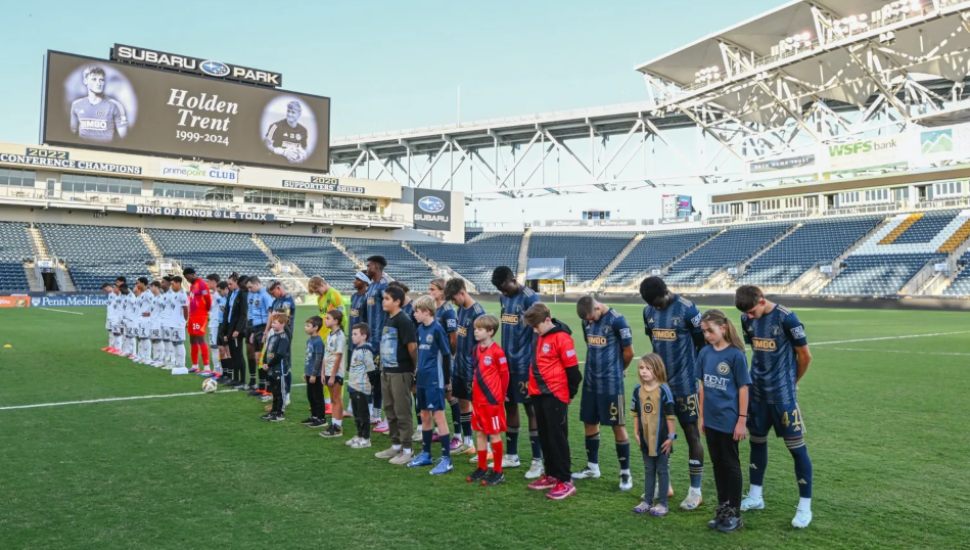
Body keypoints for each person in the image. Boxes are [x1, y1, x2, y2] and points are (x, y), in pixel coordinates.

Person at [735, 285, 814, 529]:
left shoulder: (787, 318)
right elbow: (755, 352)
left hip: (783, 397)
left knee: (797, 449)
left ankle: (804, 507)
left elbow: (805, 355)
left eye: (751, 311)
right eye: (745, 313)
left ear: (761, 301)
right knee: (757, 442)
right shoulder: (746, 319)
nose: (748, 317)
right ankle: (756, 496)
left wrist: (792, 382)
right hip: (757, 394)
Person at [640, 276, 705, 510]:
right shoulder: (648, 312)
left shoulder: (688, 309)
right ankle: (664, 484)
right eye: (652, 304)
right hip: (660, 387)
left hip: (686, 386)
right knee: (657, 436)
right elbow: (654, 346)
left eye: (659, 302)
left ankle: (695, 490)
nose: (656, 307)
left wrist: (698, 376)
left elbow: (702, 345)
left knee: (691, 435)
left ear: (666, 292)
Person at [697, 309, 751, 533]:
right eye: (704, 331)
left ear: (724, 327)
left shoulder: (736, 355)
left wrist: (741, 420)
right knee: (718, 464)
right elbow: (702, 386)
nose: (707, 335)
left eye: (710, 330)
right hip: (710, 420)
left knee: (731, 465)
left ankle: (735, 514)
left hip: (729, 420)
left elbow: (743, 388)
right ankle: (723, 508)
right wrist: (701, 416)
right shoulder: (705, 353)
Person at [574, 296, 635, 491]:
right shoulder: (586, 321)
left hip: (611, 383)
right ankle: (593, 467)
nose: (590, 322)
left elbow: (629, 352)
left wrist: (620, 369)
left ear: (598, 307)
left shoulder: (618, 320)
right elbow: (589, 343)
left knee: (618, 424)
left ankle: (625, 473)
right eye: (587, 320)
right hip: (591, 381)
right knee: (589, 422)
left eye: (592, 317)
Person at [523, 303, 581, 501]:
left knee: (557, 438)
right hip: (538, 393)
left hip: (555, 394)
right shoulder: (539, 335)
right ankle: (551, 475)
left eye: (537, 325)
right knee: (545, 436)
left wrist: (568, 394)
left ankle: (565, 480)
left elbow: (574, 373)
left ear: (547, 320)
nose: (534, 330)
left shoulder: (562, 338)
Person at [491, 266, 544, 479]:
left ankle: (537, 461)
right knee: (509, 405)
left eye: (504, 287)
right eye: (499, 289)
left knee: (531, 410)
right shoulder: (503, 299)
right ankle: (512, 455)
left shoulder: (531, 299)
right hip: (506, 365)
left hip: (526, 365)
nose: (503, 292)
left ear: (513, 279)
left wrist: (534, 363)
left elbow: (538, 333)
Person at [406, 296, 454, 475]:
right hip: (423, 380)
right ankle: (426, 454)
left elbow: (447, 355)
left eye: (417, 311)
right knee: (424, 415)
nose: (414, 314)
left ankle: (446, 459)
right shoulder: (419, 329)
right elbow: (420, 354)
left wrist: (447, 381)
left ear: (426, 311)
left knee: (438, 417)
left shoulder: (438, 329)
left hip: (436, 380)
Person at [373, 285, 418, 465]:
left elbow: (412, 347)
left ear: (397, 302)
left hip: (401, 372)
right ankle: (396, 444)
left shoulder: (404, 320)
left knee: (402, 411)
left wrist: (415, 372)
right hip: (387, 371)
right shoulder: (388, 318)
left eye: (387, 299)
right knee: (390, 410)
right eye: (383, 298)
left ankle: (408, 449)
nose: (383, 301)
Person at [630, 354, 676, 517]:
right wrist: (636, 432)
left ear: (657, 370)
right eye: (641, 368)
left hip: (662, 439)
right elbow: (635, 413)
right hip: (645, 438)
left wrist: (671, 437)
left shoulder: (664, 390)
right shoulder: (637, 390)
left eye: (648, 368)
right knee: (649, 469)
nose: (644, 371)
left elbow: (670, 416)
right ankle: (647, 501)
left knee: (662, 470)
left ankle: (662, 503)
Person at [444, 278, 486, 455]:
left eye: (454, 298)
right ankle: (468, 442)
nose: (453, 302)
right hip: (459, 366)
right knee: (462, 402)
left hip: (472, 368)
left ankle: (485, 447)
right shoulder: (460, 309)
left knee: (478, 407)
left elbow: (483, 344)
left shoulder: (478, 313)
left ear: (462, 292)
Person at [466, 314, 509, 486]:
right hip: (477, 400)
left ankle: (498, 471)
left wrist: (501, 395)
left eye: (480, 329)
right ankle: (482, 467)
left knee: (494, 434)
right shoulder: (476, 349)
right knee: (480, 432)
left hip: (492, 401)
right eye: (475, 328)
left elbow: (504, 376)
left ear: (490, 331)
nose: (476, 332)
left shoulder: (498, 352)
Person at [429, 278, 462, 453]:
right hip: (435, 358)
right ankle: (438, 430)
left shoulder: (448, 311)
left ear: (442, 291)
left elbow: (453, 338)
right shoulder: (435, 308)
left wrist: (449, 357)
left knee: (450, 395)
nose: (430, 292)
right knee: (438, 394)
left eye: (433, 289)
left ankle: (457, 435)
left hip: (445, 359)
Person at [362, 256, 390, 433]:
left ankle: (383, 416)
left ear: (377, 267)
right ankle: (375, 412)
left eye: (369, 265)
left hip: (382, 341)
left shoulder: (385, 286)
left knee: (383, 380)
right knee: (372, 378)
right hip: (371, 340)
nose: (367, 268)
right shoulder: (371, 286)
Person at [69, 65, 128, 142]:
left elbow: (125, 138)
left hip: (106, 151)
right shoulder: (76, 104)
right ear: (85, 81)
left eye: (101, 80)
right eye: (94, 79)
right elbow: (72, 133)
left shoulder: (115, 105)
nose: (98, 83)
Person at [346, 323, 377, 449]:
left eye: (355, 334)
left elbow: (371, 369)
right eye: (352, 334)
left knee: (363, 414)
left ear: (364, 336)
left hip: (362, 387)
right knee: (357, 414)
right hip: (353, 386)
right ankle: (359, 435)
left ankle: (366, 438)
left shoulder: (365, 350)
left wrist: (372, 384)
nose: (352, 337)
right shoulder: (357, 349)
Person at [320, 310, 347, 438]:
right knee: (333, 399)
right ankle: (334, 423)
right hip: (328, 371)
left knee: (336, 399)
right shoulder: (330, 334)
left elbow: (338, 356)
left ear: (336, 321)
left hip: (335, 373)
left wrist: (332, 375)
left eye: (328, 318)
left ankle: (337, 427)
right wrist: (322, 372)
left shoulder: (340, 336)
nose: (325, 320)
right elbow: (326, 355)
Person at [260, 312, 291, 422]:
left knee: (280, 392)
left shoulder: (283, 338)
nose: (272, 325)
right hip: (271, 369)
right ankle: (273, 411)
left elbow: (280, 355)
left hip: (279, 370)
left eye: (275, 323)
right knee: (274, 391)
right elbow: (267, 350)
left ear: (282, 324)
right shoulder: (273, 336)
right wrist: (264, 362)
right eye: (272, 322)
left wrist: (269, 364)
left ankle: (280, 413)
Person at [245, 277, 273, 394]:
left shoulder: (265, 295)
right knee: (258, 359)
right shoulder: (254, 294)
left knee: (264, 359)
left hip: (263, 328)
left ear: (257, 284)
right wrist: (252, 332)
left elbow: (271, 314)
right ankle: (261, 387)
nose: (249, 289)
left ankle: (268, 388)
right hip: (256, 329)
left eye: (251, 287)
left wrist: (266, 331)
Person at [183, 268, 212, 374]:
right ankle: (195, 365)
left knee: (200, 339)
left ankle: (206, 367)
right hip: (192, 316)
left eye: (188, 277)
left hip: (200, 316)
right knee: (192, 339)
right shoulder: (192, 286)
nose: (187, 280)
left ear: (193, 274)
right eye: (186, 279)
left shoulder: (202, 284)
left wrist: (205, 311)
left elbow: (208, 298)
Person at [223, 275, 248, 388]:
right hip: (230, 327)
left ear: (237, 283)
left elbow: (243, 314)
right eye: (228, 284)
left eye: (230, 284)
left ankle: (242, 380)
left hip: (237, 330)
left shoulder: (242, 294)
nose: (228, 286)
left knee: (238, 355)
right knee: (232, 354)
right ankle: (235, 378)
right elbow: (228, 312)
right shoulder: (231, 293)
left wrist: (238, 329)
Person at [302, 316, 326, 428]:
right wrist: (305, 372)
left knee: (318, 396)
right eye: (305, 325)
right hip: (309, 373)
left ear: (316, 327)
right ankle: (314, 416)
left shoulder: (318, 342)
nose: (305, 328)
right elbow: (308, 358)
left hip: (315, 375)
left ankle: (321, 418)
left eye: (308, 326)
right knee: (310, 396)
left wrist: (313, 374)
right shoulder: (309, 340)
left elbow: (318, 359)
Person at [168, 276, 188, 370]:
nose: (171, 286)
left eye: (173, 284)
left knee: (179, 343)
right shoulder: (174, 294)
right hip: (173, 323)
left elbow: (185, 308)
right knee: (175, 343)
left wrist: (184, 321)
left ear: (178, 283)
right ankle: (177, 362)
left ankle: (182, 364)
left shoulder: (182, 294)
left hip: (179, 323)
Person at [205, 274, 223, 376]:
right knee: (214, 347)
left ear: (214, 282)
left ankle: (218, 370)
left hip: (216, 324)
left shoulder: (218, 295)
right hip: (212, 323)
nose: (207, 283)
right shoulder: (214, 294)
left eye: (209, 281)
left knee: (215, 347)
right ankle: (217, 369)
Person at [149, 281, 165, 368]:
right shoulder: (154, 298)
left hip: (158, 323)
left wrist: (162, 321)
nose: (150, 289)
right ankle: (155, 358)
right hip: (153, 322)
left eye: (151, 287)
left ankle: (161, 359)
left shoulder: (161, 298)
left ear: (155, 287)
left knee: (159, 340)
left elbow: (165, 310)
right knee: (154, 340)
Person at [101, 282, 117, 353]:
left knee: (114, 332)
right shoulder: (110, 294)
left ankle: (114, 347)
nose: (105, 291)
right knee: (110, 332)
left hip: (114, 317)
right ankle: (110, 346)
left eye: (105, 289)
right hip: (109, 316)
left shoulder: (116, 294)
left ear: (108, 287)